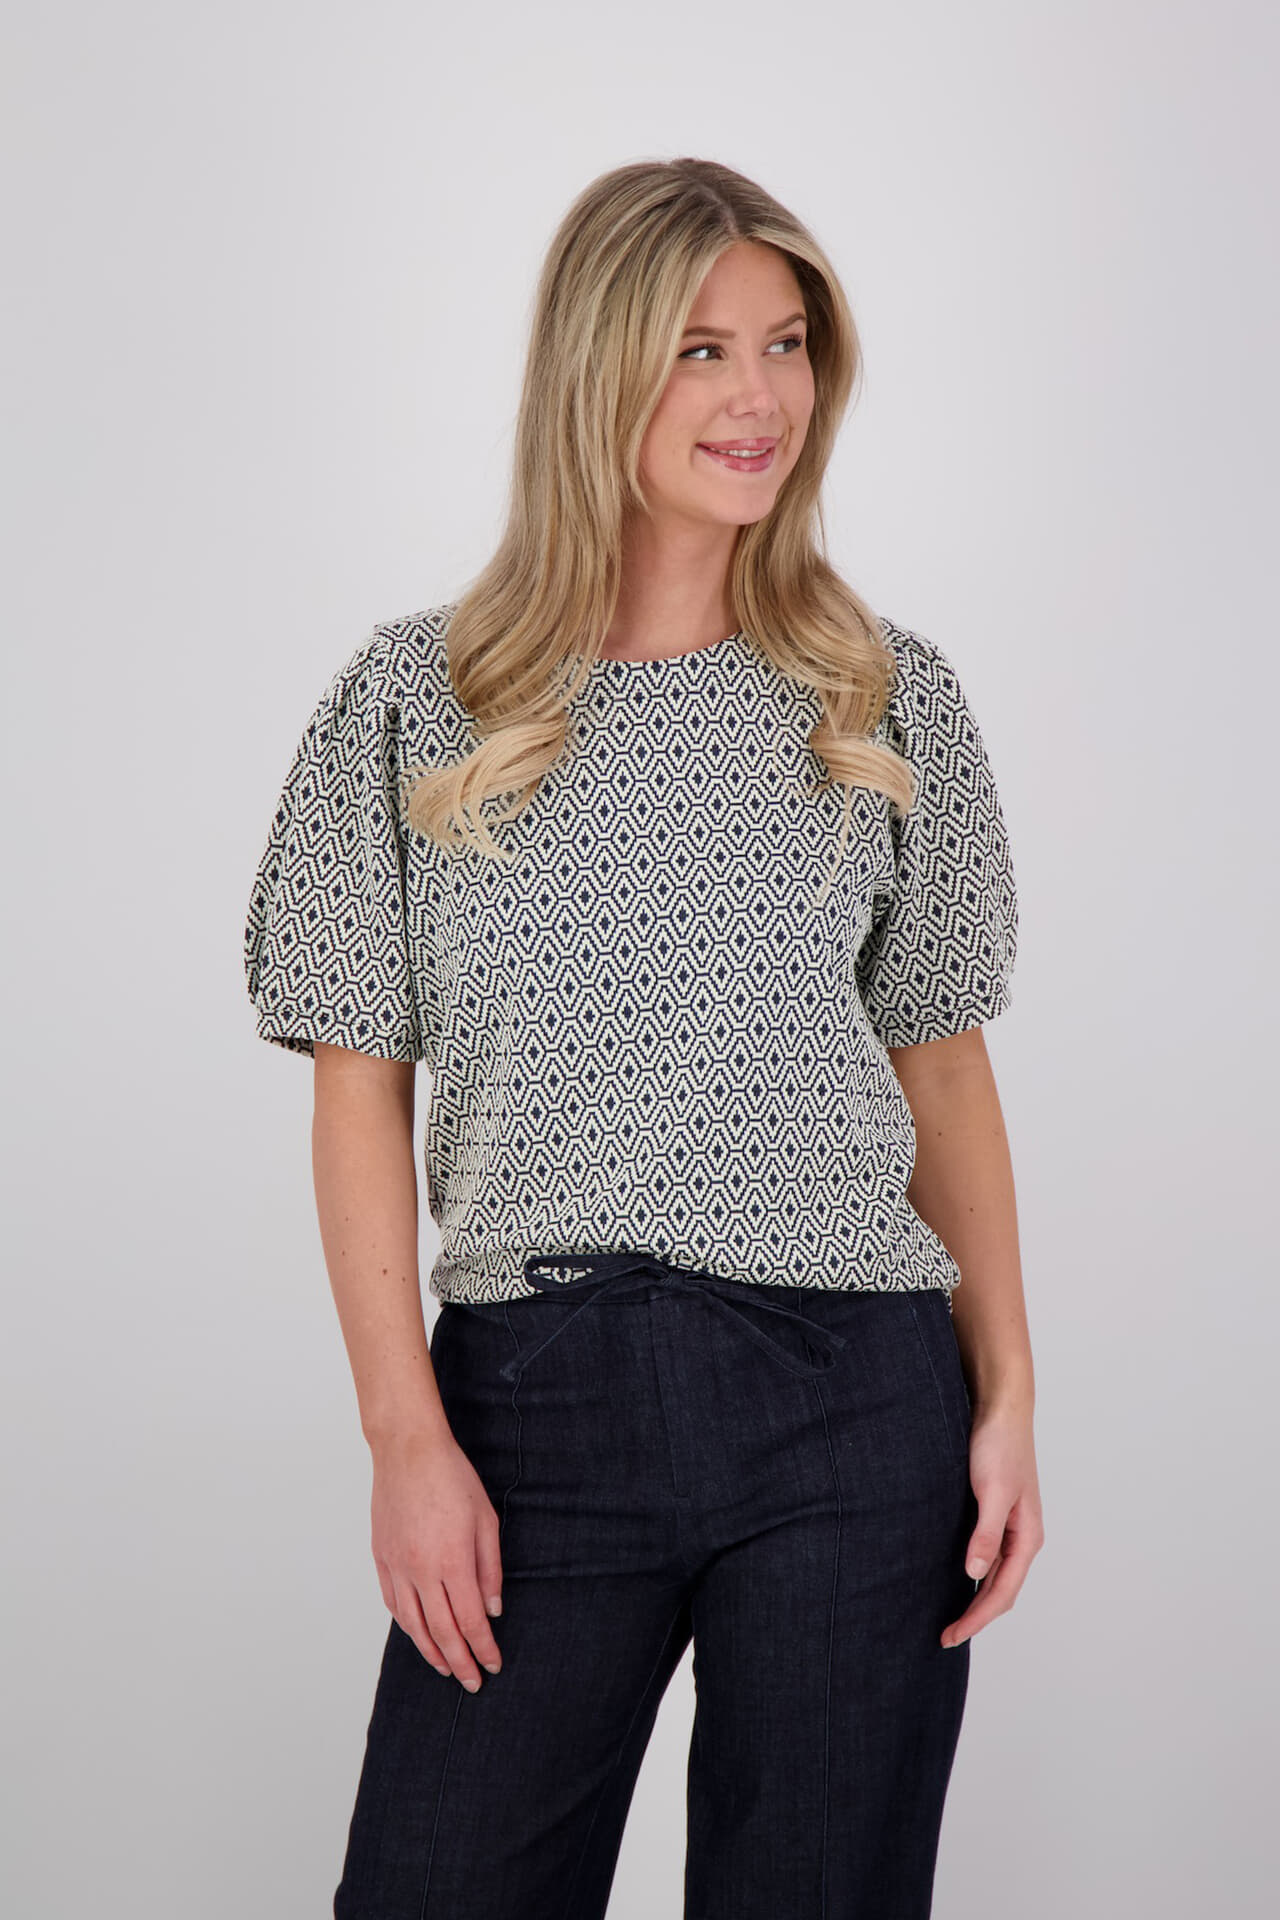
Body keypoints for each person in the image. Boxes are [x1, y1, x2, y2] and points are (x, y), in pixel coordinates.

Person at [243, 156, 1043, 1920]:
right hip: (536, 1406)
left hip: (854, 1401)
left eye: (787, 344)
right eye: (702, 349)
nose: (761, 398)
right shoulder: (416, 700)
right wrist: (404, 1438)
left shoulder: (883, 695)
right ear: (598, 367)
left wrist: (1008, 1398)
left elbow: (942, 1065)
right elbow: (357, 1091)